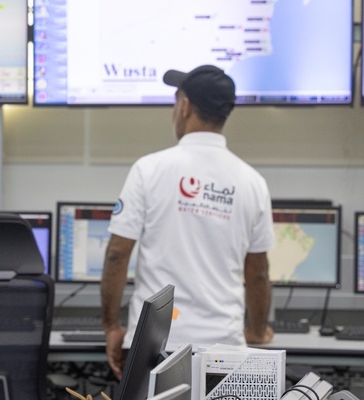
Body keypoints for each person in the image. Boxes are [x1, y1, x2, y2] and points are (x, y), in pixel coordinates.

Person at [100, 65, 275, 379]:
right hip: (224, 351)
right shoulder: (252, 182)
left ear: (185, 107)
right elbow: (258, 273)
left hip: (154, 348)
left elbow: (117, 254)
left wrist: (111, 326)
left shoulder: (148, 170)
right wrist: (258, 331)